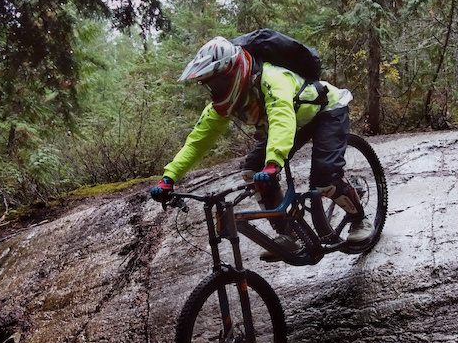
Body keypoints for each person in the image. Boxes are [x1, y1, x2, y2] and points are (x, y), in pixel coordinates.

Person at [150, 35, 373, 260]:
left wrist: (273, 162)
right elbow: (198, 141)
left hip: (326, 111)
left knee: (325, 177)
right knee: (252, 171)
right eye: (209, 85)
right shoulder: (224, 103)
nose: (214, 89)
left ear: (233, 71)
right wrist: (169, 178)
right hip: (296, 123)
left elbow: (281, 118)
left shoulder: (273, 78)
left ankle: (359, 220)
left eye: (217, 82)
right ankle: (287, 232)